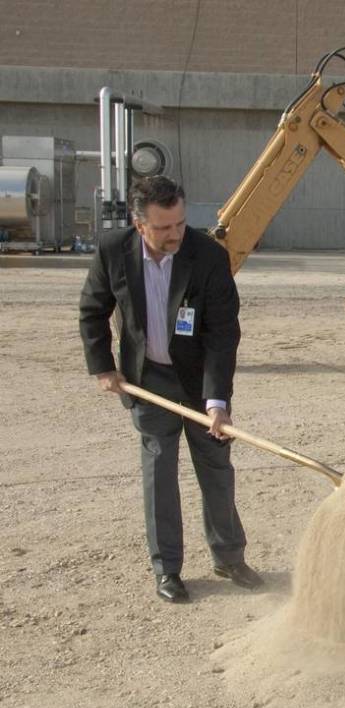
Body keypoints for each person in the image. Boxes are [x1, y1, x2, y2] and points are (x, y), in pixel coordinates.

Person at [79, 175, 262, 604]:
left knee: (216, 469)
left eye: (180, 223)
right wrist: (104, 367)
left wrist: (217, 400)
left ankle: (229, 557)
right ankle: (168, 569)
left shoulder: (208, 256)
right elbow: (92, 312)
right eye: (163, 227)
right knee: (159, 473)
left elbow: (222, 332)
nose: (175, 234)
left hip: (199, 382)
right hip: (148, 381)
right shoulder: (113, 251)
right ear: (139, 223)